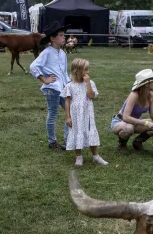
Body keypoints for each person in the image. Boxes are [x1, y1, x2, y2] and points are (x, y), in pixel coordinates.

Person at [30, 21, 70, 150]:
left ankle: (68, 140)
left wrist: (69, 84)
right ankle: (52, 142)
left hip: (63, 88)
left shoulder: (63, 54)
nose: (64, 37)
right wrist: (44, 79)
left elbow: (64, 72)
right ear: (52, 38)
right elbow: (33, 66)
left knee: (71, 111)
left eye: (64, 35)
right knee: (53, 114)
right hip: (52, 88)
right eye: (61, 35)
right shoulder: (47, 52)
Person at [61, 58, 108, 166]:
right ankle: (78, 156)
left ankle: (96, 156)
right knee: (77, 131)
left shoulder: (90, 83)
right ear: (77, 71)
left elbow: (91, 96)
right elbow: (67, 102)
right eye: (85, 69)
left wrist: (88, 84)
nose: (88, 72)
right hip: (76, 114)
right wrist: (68, 117)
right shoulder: (69, 86)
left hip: (87, 113)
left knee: (91, 131)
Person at [110, 69, 153, 155]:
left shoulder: (151, 95)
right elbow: (125, 117)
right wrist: (145, 123)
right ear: (147, 84)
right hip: (120, 121)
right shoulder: (134, 95)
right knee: (129, 128)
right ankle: (122, 145)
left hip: (135, 122)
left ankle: (137, 142)